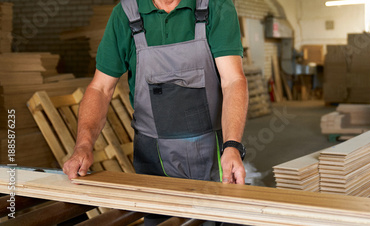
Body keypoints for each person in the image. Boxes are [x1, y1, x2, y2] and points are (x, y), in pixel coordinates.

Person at [63, 0, 248, 223]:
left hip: (213, 157)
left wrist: (232, 146)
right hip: (153, 160)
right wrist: (83, 145)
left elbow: (233, 81)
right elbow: (100, 89)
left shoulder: (215, 7)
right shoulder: (126, 14)